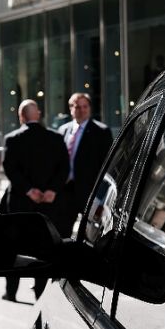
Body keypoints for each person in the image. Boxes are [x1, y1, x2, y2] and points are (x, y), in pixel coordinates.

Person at [2, 99, 69, 301]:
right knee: (43, 245)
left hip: (20, 203)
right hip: (47, 204)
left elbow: (10, 169)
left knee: (14, 246)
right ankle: (40, 291)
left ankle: (11, 292)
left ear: (21, 117)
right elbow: (64, 168)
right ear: (38, 115)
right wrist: (52, 190)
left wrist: (29, 190)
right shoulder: (56, 138)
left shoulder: (12, 139)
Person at [57, 93, 113, 236]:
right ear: (71, 109)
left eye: (85, 106)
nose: (82, 110)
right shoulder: (63, 130)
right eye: (77, 107)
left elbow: (107, 164)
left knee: (88, 234)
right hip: (65, 190)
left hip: (89, 191)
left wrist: (102, 193)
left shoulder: (101, 131)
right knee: (62, 232)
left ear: (89, 108)